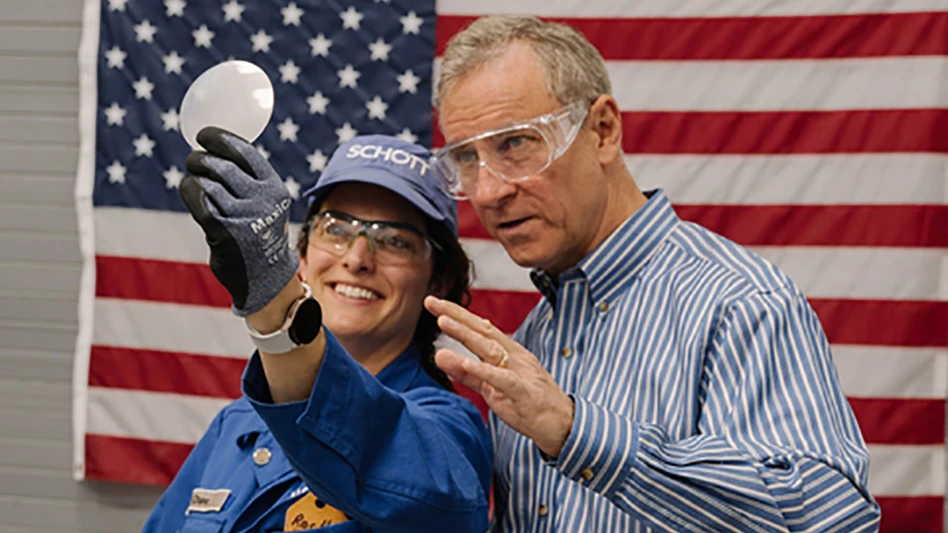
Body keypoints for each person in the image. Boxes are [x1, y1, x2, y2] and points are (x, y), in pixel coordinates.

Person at [423, 15, 881, 532]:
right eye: (466, 157)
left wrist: (577, 432)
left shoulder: (738, 301)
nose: (487, 191)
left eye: (515, 145)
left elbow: (831, 521)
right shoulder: (534, 343)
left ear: (603, 131)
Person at [142, 130, 492, 533]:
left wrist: (275, 299)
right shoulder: (237, 423)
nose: (358, 258)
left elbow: (434, 501)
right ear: (302, 258)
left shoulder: (449, 435)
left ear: (437, 282)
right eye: (337, 229)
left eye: (395, 241)